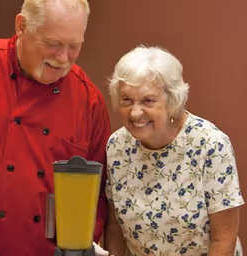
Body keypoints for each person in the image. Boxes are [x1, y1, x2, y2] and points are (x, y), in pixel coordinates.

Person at [0, 0, 112, 255]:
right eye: (52, 44)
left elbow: (95, 204)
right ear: (22, 26)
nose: (62, 58)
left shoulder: (89, 101)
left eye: (74, 46)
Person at [104, 45, 244, 255]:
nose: (134, 112)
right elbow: (115, 229)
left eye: (148, 100)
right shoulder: (117, 146)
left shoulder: (211, 145)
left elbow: (224, 238)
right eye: (126, 100)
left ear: (172, 100)